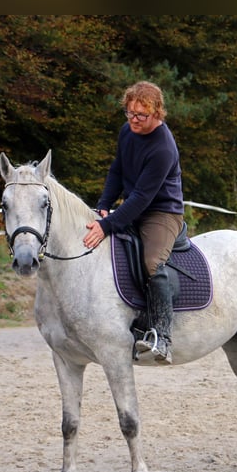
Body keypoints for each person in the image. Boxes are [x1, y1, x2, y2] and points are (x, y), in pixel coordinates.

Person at [83, 81, 185, 364]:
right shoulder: (127, 131)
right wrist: (103, 206)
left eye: (141, 115)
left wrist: (108, 225)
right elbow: (117, 170)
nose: (134, 120)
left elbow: (142, 196)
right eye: (130, 113)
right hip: (134, 206)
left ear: (157, 114)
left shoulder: (163, 148)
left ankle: (162, 336)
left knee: (152, 261)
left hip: (161, 212)